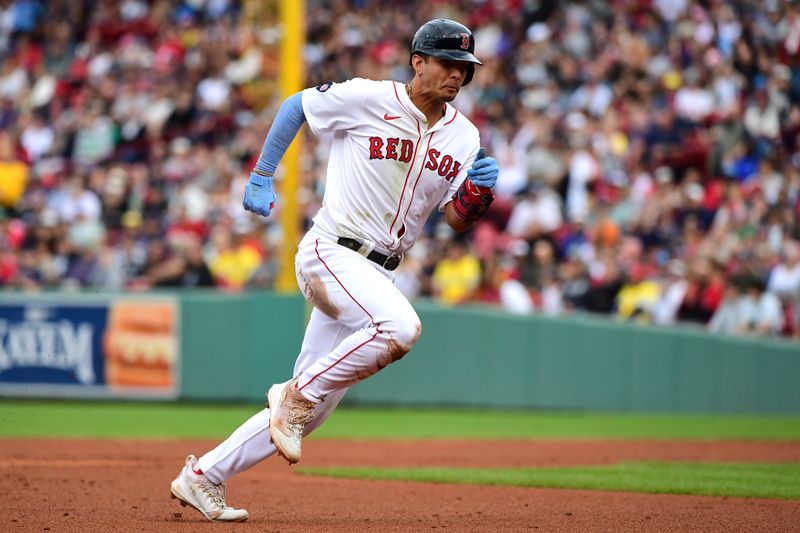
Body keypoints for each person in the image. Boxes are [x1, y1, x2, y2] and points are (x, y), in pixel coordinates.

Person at [169, 19, 499, 522]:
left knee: (314, 412)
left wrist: (477, 196)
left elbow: (454, 220)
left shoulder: (464, 137)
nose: (457, 75)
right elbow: (296, 105)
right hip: (332, 251)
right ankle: (292, 395)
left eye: (464, 67)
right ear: (418, 61)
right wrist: (261, 173)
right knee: (400, 328)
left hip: (379, 273)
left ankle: (203, 476)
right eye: (447, 63)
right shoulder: (369, 97)